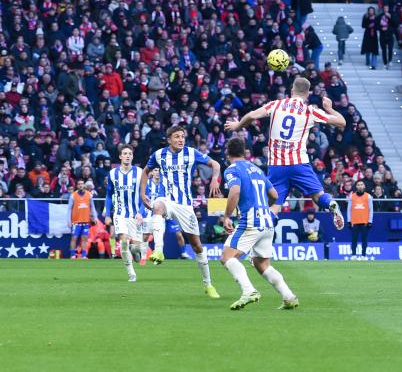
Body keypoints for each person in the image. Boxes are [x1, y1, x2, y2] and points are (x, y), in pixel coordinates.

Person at [224, 77, 347, 230]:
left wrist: (237, 125)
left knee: (274, 204)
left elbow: (252, 115)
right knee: (318, 196)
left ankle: (261, 234)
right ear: (308, 94)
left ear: (291, 91)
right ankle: (331, 204)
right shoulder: (310, 111)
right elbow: (342, 122)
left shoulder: (276, 105)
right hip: (299, 163)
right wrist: (329, 108)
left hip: (277, 165)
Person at [140, 125, 221, 299]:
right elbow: (145, 172)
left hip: (185, 205)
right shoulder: (159, 155)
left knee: (197, 246)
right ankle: (159, 251)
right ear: (169, 139)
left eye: (182, 136)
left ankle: (208, 284)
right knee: (157, 207)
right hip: (166, 199)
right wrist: (142, 194)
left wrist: (215, 178)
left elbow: (215, 164)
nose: (180, 139)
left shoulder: (191, 153)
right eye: (176, 137)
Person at [220, 138, 299, 310]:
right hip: (267, 222)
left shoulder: (232, 169)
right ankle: (289, 296)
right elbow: (274, 195)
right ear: (244, 151)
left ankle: (249, 291)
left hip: (251, 221)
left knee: (227, 257)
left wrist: (227, 216)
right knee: (261, 264)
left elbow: (235, 191)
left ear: (228, 153)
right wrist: (264, 206)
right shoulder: (256, 168)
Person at [105, 145, 145, 282]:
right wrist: (107, 215)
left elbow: (144, 195)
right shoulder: (112, 174)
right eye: (125, 153)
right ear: (120, 157)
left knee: (136, 247)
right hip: (120, 213)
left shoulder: (140, 173)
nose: (127, 156)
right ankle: (131, 274)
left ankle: (136, 253)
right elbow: (109, 195)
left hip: (135, 215)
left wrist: (141, 212)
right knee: (123, 241)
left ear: (132, 156)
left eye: (130, 153)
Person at [68, 180, 98, 259]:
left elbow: (93, 207)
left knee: (84, 238)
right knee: (74, 238)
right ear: (77, 186)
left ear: (84, 185)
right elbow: (69, 209)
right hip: (75, 221)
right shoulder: (73, 195)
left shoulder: (89, 195)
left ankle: (84, 255)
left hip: (86, 220)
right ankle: (72, 255)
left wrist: (95, 218)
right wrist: (69, 221)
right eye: (79, 184)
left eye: (82, 184)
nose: (80, 185)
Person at [347, 180, 373, 260]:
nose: (360, 186)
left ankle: (363, 255)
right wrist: (349, 220)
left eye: (362, 184)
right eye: (358, 185)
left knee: (364, 240)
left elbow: (371, 210)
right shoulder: (352, 196)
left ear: (364, 186)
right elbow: (349, 209)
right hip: (354, 222)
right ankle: (354, 255)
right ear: (356, 186)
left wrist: (370, 221)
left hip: (365, 222)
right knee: (354, 239)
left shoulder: (368, 196)